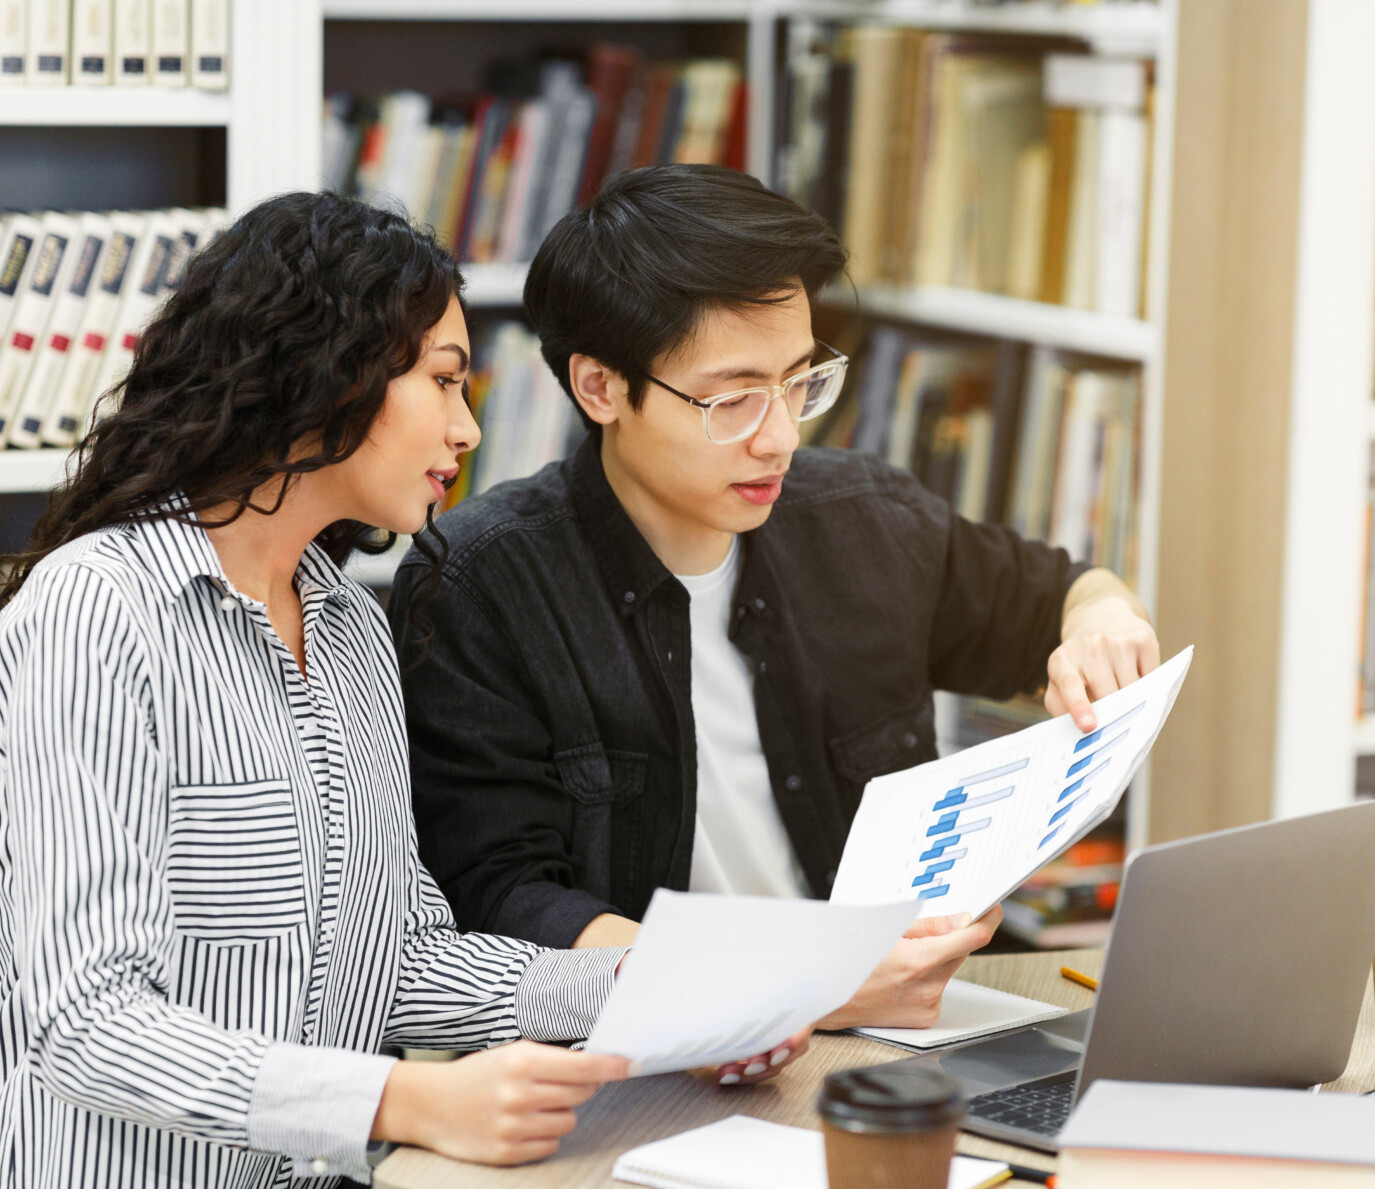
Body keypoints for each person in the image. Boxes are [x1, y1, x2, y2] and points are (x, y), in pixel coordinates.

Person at [0, 192, 800, 1189]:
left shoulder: (348, 630)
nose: (467, 430)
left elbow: (401, 959)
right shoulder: (96, 619)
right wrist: (401, 1103)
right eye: (445, 382)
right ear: (325, 373)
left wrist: (652, 995)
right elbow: (90, 1023)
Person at [387, 165, 1161, 1031]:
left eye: (799, 381)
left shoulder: (862, 518)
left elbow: (1060, 592)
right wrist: (796, 988)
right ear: (601, 388)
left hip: (895, 1035)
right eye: (734, 400)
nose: (782, 436)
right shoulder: (483, 580)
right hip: (657, 1059)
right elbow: (508, 903)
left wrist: (1102, 622)